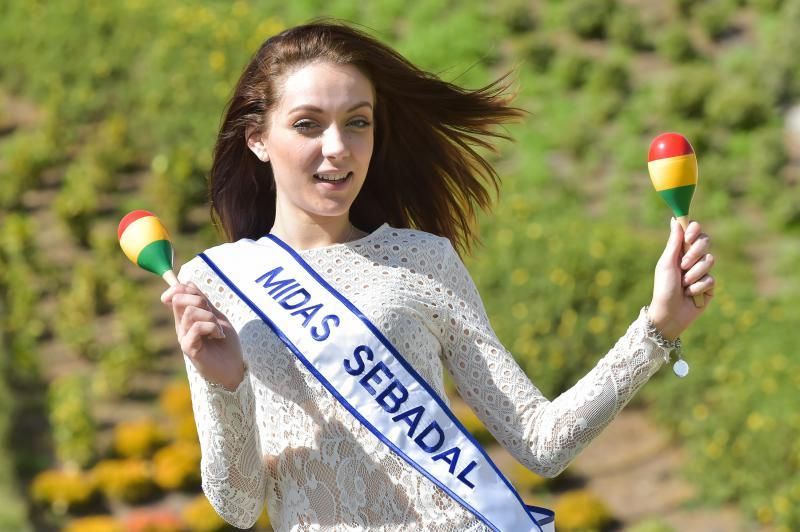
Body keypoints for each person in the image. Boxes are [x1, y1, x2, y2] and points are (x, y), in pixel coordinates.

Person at [160, 21, 715, 531]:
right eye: (308, 124)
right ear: (257, 137)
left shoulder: (421, 259)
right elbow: (236, 506)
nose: (337, 147)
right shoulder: (216, 282)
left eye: (358, 122)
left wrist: (658, 327)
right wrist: (224, 382)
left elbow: (543, 443)